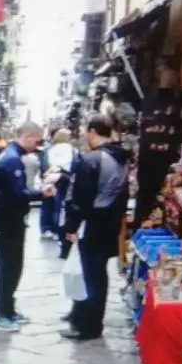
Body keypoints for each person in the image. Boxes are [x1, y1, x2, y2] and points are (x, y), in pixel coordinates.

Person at [61, 114, 130, 341]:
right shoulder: (121, 158)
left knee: (90, 275)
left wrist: (71, 225)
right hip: (110, 223)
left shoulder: (93, 159)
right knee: (97, 274)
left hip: (92, 223)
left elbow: (80, 198)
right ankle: (84, 316)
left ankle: (88, 325)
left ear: (92, 131)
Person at [0, 121, 53, 332]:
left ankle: (7, 308)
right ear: (27, 137)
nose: (38, 146)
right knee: (9, 267)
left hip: (9, 219)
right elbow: (18, 194)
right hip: (8, 220)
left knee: (12, 266)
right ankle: (1, 313)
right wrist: (41, 194)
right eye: (37, 141)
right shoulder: (12, 160)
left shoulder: (12, 156)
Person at [40, 128, 77, 241]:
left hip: (49, 178)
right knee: (59, 206)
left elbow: (43, 164)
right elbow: (75, 165)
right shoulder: (72, 150)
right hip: (64, 178)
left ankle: (45, 228)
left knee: (47, 204)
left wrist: (46, 175)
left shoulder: (48, 150)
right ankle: (57, 229)